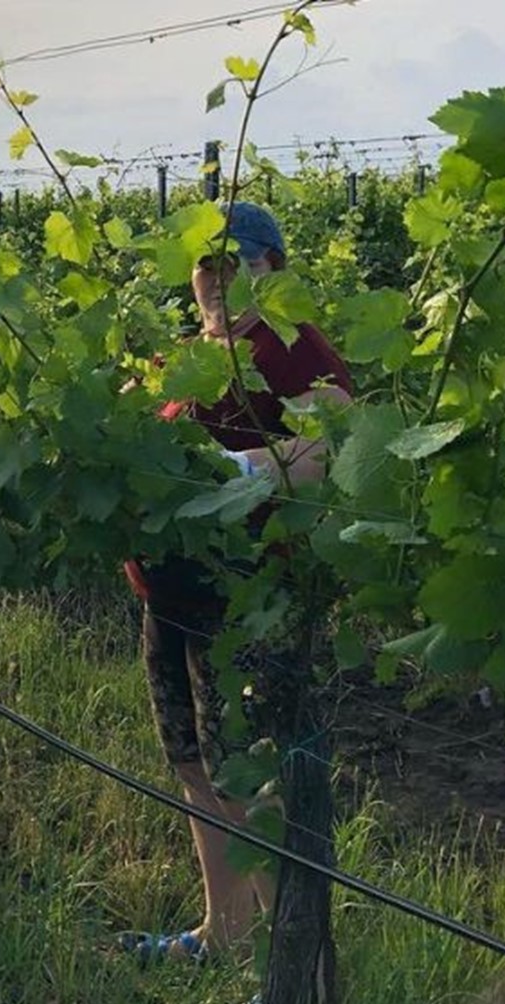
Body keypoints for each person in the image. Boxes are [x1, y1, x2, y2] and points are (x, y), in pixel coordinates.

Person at [118, 201, 354, 965]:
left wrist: (241, 473)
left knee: (252, 783)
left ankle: (286, 970)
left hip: (244, 602)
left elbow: (334, 442)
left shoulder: (291, 344)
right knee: (194, 766)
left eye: (237, 262)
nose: (218, 279)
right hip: (173, 599)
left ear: (272, 268)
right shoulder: (190, 355)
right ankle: (222, 937)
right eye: (205, 265)